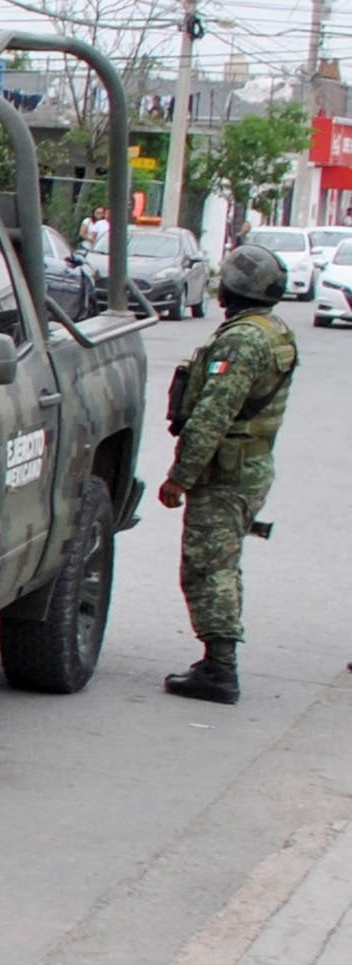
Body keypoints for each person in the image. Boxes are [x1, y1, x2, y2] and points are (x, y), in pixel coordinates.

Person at [158, 243, 299, 705]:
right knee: (222, 561)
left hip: (227, 472)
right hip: (250, 466)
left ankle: (220, 669)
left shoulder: (243, 340)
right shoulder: (273, 330)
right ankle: (216, 660)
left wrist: (180, 476)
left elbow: (213, 415)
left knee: (209, 566)